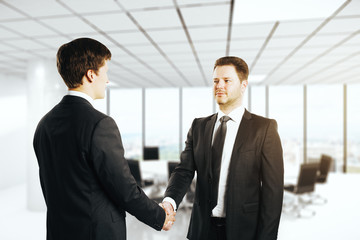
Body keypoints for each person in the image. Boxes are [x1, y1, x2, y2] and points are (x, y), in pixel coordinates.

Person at [33, 38, 174, 240]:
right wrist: (160, 217)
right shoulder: (100, 124)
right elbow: (124, 188)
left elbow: (50, 186)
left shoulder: (44, 124)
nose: (107, 80)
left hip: (59, 232)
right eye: (105, 72)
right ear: (91, 75)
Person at [162, 56, 284, 240]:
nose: (219, 85)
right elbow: (183, 171)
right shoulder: (199, 126)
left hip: (244, 231)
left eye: (227, 81)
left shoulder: (264, 128)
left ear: (243, 85)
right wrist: (170, 201)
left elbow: (272, 192)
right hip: (202, 229)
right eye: (216, 81)